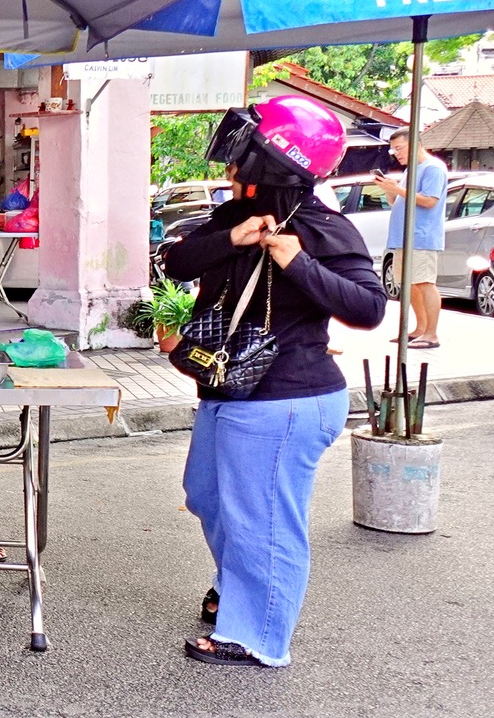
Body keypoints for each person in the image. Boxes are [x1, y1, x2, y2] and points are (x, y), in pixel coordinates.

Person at [162, 96, 385, 668]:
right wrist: (233, 240)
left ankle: (258, 635)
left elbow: (368, 308)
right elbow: (178, 263)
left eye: (244, 150)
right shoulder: (232, 216)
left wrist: (298, 265)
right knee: (208, 496)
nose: (230, 163)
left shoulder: (321, 228)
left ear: (276, 159)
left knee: (263, 518)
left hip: (287, 398)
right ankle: (238, 587)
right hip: (229, 389)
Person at [374, 129, 448, 350]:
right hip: (403, 236)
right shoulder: (411, 169)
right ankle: (420, 328)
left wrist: (396, 188)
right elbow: (399, 201)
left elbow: (429, 201)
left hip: (421, 236)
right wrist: (390, 190)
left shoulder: (433, 168)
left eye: (399, 148)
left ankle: (432, 334)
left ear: (415, 144)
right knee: (409, 284)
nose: (396, 153)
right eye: (393, 149)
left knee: (425, 283)